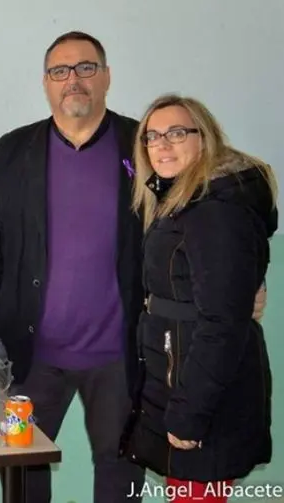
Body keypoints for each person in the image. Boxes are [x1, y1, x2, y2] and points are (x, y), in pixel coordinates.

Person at [0, 31, 267, 503]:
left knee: (119, 475)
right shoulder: (12, 151)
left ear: (106, 77)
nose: (73, 80)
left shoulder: (143, 145)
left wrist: (252, 279)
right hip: (33, 355)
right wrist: (4, 306)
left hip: (121, 354)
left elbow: (211, 213)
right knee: (22, 468)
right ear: (45, 83)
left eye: (86, 68)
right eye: (60, 71)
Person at [122, 94, 276, 503]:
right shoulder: (183, 200)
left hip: (204, 393)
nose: (162, 145)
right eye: (152, 136)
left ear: (204, 138)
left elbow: (222, 323)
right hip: (180, 375)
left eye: (176, 133)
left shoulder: (214, 210)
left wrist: (190, 413)